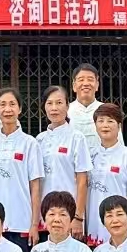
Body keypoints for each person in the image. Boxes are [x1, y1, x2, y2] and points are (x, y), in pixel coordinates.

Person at [0, 88, 44, 252]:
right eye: (3, 104)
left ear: (20, 108)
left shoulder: (30, 143)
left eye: (12, 104)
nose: (7, 109)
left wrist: (34, 224)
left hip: (21, 222)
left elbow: (35, 186)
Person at [36, 85, 91, 240]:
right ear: (44, 107)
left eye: (59, 103)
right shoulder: (39, 140)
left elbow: (82, 181)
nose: (54, 108)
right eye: (50, 103)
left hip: (69, 213)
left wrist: (78, 217)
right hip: (44, 214)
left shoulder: (76, 138)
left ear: (67, 106)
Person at [85, 103, 127, 248]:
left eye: (110, 121)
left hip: (120, 224)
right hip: (93, 224)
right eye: (101, 121)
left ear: (119, 126)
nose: (105, 125)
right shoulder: (89, 155)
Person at [67, 63, 121, 144]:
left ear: (97, 85)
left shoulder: (108, 110)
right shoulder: (66, 111)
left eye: (90, 79)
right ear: (74, 86)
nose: (86, 84)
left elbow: (118, 145)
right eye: (81, 80)